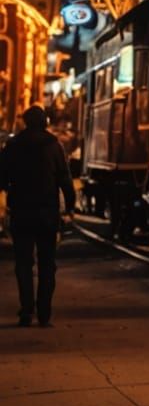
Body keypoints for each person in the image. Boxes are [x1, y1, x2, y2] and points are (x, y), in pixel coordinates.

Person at [0, 105, 77, 327]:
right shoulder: (54, 146)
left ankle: (26, 311)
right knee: (47, 264)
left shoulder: (12, 146)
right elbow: (65, 180)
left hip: (22, 214)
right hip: (47, 214)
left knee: (23, 263)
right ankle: (44, 313)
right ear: (45, 122)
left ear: (25, 121)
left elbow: (2, 180)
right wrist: (70, 208)